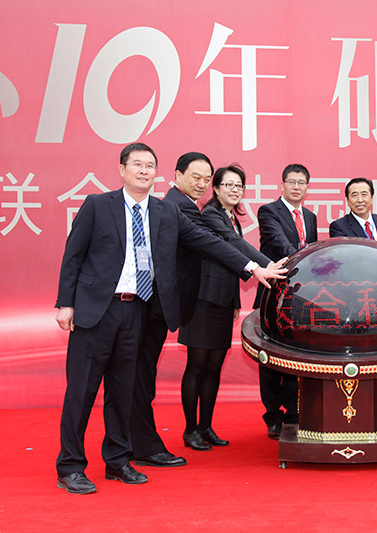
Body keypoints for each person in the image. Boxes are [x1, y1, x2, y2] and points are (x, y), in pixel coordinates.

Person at [54, 143, 286, 494]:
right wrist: (66, 304)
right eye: (137, 164)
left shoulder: (166, 213)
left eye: (150, 165)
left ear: (157, 173)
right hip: (96, 311)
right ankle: (70, 466)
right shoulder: (98, 205)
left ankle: (117, 460)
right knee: (82, 391)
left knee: (123, 390)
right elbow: (73, 256)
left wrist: (254, 267)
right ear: (122, 169)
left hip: (137, 310)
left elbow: (210, 242)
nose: (143, 171)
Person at [178, 164, 278, 449]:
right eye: (229, 185)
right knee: (197, 366)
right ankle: (190, 429)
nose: (235, 190)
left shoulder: (230, 216)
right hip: (203, 301)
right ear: (216, 188)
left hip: (222, 301)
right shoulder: (210, 214)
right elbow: (232, 245)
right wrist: (268, 264)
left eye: (239, 186)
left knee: (214, 367)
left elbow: (231, 262)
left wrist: (234, 302)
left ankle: (206, 426)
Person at [129, 151, 214, 468]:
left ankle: (132, 442)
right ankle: (142, 445)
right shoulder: (177, 208)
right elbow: (216, 243)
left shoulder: (178, 206)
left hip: (154, 306)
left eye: (207, 179)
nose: (202, 184)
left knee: (140, 376)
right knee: (139, 377)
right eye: (196, 177)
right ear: (177, 176)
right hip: (149, 306)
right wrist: (255, 266)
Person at [254, 163, 318, 439]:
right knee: (270, 358)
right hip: (274, 293)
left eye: (301, 182)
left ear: (307, 187)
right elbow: (280, 244)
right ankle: (272, 415)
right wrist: (304, 263)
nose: (296, 187)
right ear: (282, 185)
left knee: (296, 356)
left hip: (300, 298)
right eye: (291, 182)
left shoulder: (311, 217)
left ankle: (293, 411)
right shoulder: (268, 211)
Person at [329, 177, 377, 246]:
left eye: (364, 194)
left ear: (372, 198)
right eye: (354, 195)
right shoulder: (339, 226)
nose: (360, 200)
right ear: (348, 201)